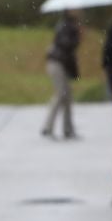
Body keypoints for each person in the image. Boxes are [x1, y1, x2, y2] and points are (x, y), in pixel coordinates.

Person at [44, 11, 82, 139]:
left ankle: (68, 129)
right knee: (61, 94)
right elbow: (66, 46)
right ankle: (48, 127)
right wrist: (78, 36)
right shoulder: (66, 26)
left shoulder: (69, 25)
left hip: (61, 64)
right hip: (57, 63)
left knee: (67, 96)